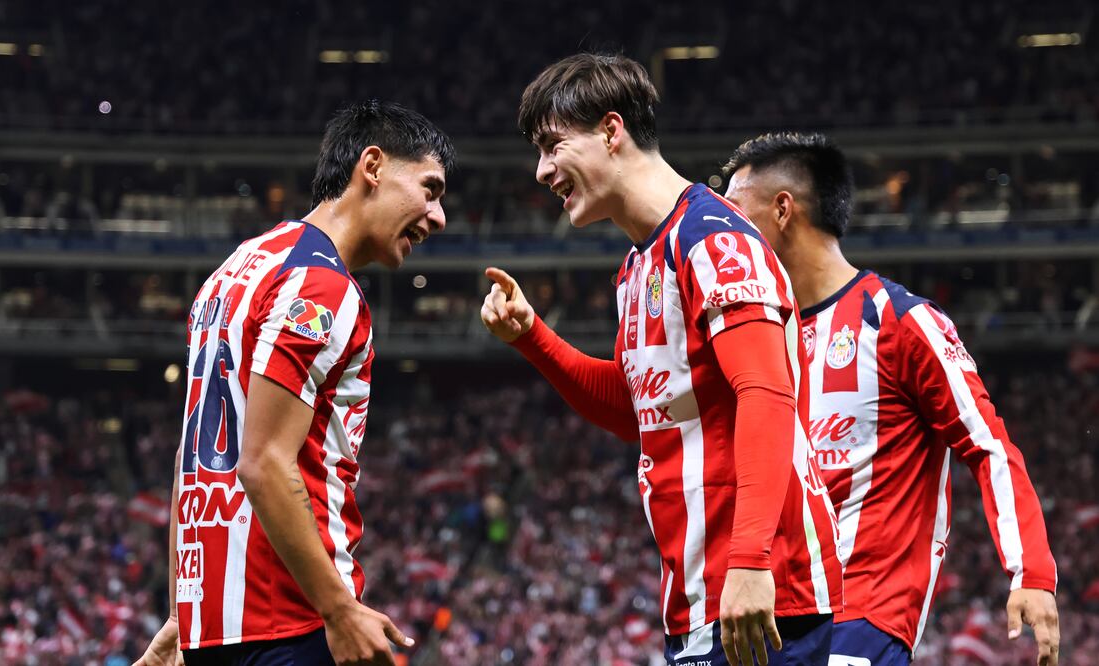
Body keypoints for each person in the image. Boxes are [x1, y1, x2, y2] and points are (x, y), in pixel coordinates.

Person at [480, 53, 842, 666]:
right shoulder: (637, 267)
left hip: (766, 594)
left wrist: (751, 560)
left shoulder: (713, 239)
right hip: (699, 596)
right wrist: (532, 337)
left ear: (611, 131)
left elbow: (766, 394)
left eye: (551, 146)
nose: (541, 171)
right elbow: (638, 411)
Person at [134, 100, 453, 666]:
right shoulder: (321, 285)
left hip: (218, 622)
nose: (437, 216)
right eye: (430, 189)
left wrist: (187, 616)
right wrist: (338, 610)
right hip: (290, 621)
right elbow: (261, 461)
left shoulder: (234, 270)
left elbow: (194, 459)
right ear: (372, 167)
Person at [722, 132, 1060, 665]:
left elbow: (988, 445)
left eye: (734, 210)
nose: (724, 231)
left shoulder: (900, 322)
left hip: (864, 616)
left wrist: (1032, 572)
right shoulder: (759, 335)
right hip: (780, 613)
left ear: (782, 210)